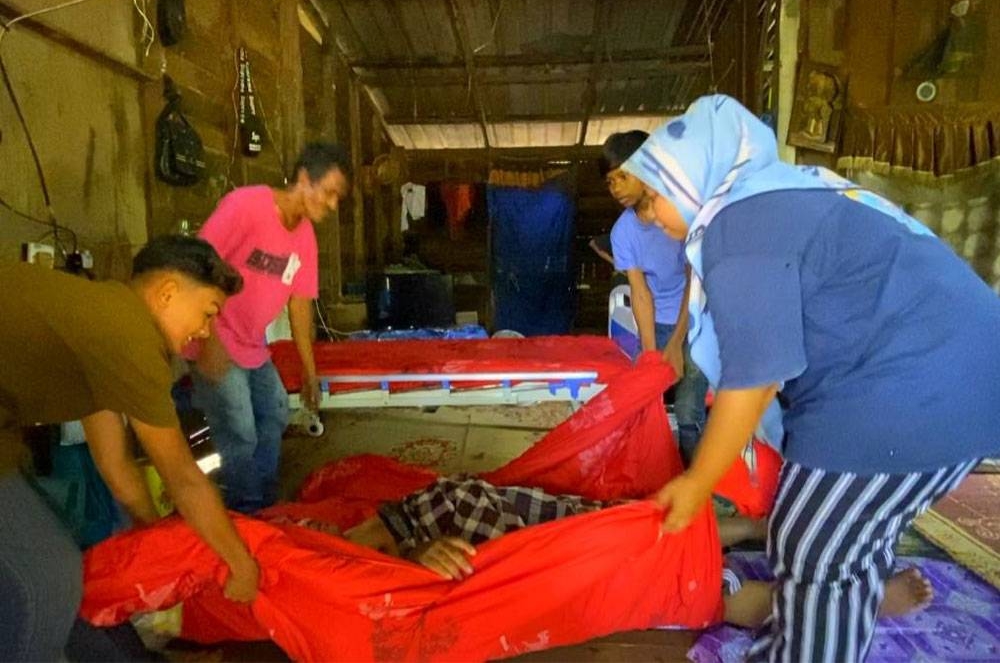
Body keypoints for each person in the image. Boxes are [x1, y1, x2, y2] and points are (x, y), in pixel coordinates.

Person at [622, 94, 1000, 662]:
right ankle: (834, 619)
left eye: (652, 198)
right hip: (960, 380)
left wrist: (699, 481)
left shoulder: (738, 226)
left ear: (691, 177)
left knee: (814, 540)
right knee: (840, 535)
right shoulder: (776, 198)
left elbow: (756, 376)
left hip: (909, 388)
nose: (649, 216)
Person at [0, 236, 260, 661]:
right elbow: (183, 478)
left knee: (55, 575)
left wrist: (156, 537)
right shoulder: (132, 336)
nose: (204, 331)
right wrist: (242, 564)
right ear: (168, 293)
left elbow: (116, 465)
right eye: (208, 312)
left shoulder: (105, 318)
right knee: (44, 583)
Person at [282, 476, 933, 631]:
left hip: (561, 530)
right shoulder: (384, 563)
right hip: (558, 557)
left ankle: (760, 531)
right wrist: (416, 551)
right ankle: (862, 601)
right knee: (702, 594)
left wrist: (414, 545)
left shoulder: (414, 514)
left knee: (657, 527)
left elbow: (359, 554)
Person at [191, 142, 351, 513]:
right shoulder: (246, 206)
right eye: (329, 192)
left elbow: (300, 305)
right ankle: (246, 509)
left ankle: (261, 500)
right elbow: (197, 263)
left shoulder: (305, 239)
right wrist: (207, 340)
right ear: (304, 178)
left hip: (251, 344)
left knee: (276, 411)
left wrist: (309, 371)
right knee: (240, 430)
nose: (332, 205)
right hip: (214, 335)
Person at [601, 131, 710, 463]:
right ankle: (656, 471)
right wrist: (651, 353)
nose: (615, 187)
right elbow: (640, 293)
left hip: (696, 322)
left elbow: (694, 281)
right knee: (647, 401)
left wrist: (676, 344)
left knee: (688, 410)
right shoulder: (623, 232)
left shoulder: (679, 215)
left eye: (623, 176)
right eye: (610, 181)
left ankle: (696, 477)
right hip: (658, 322)